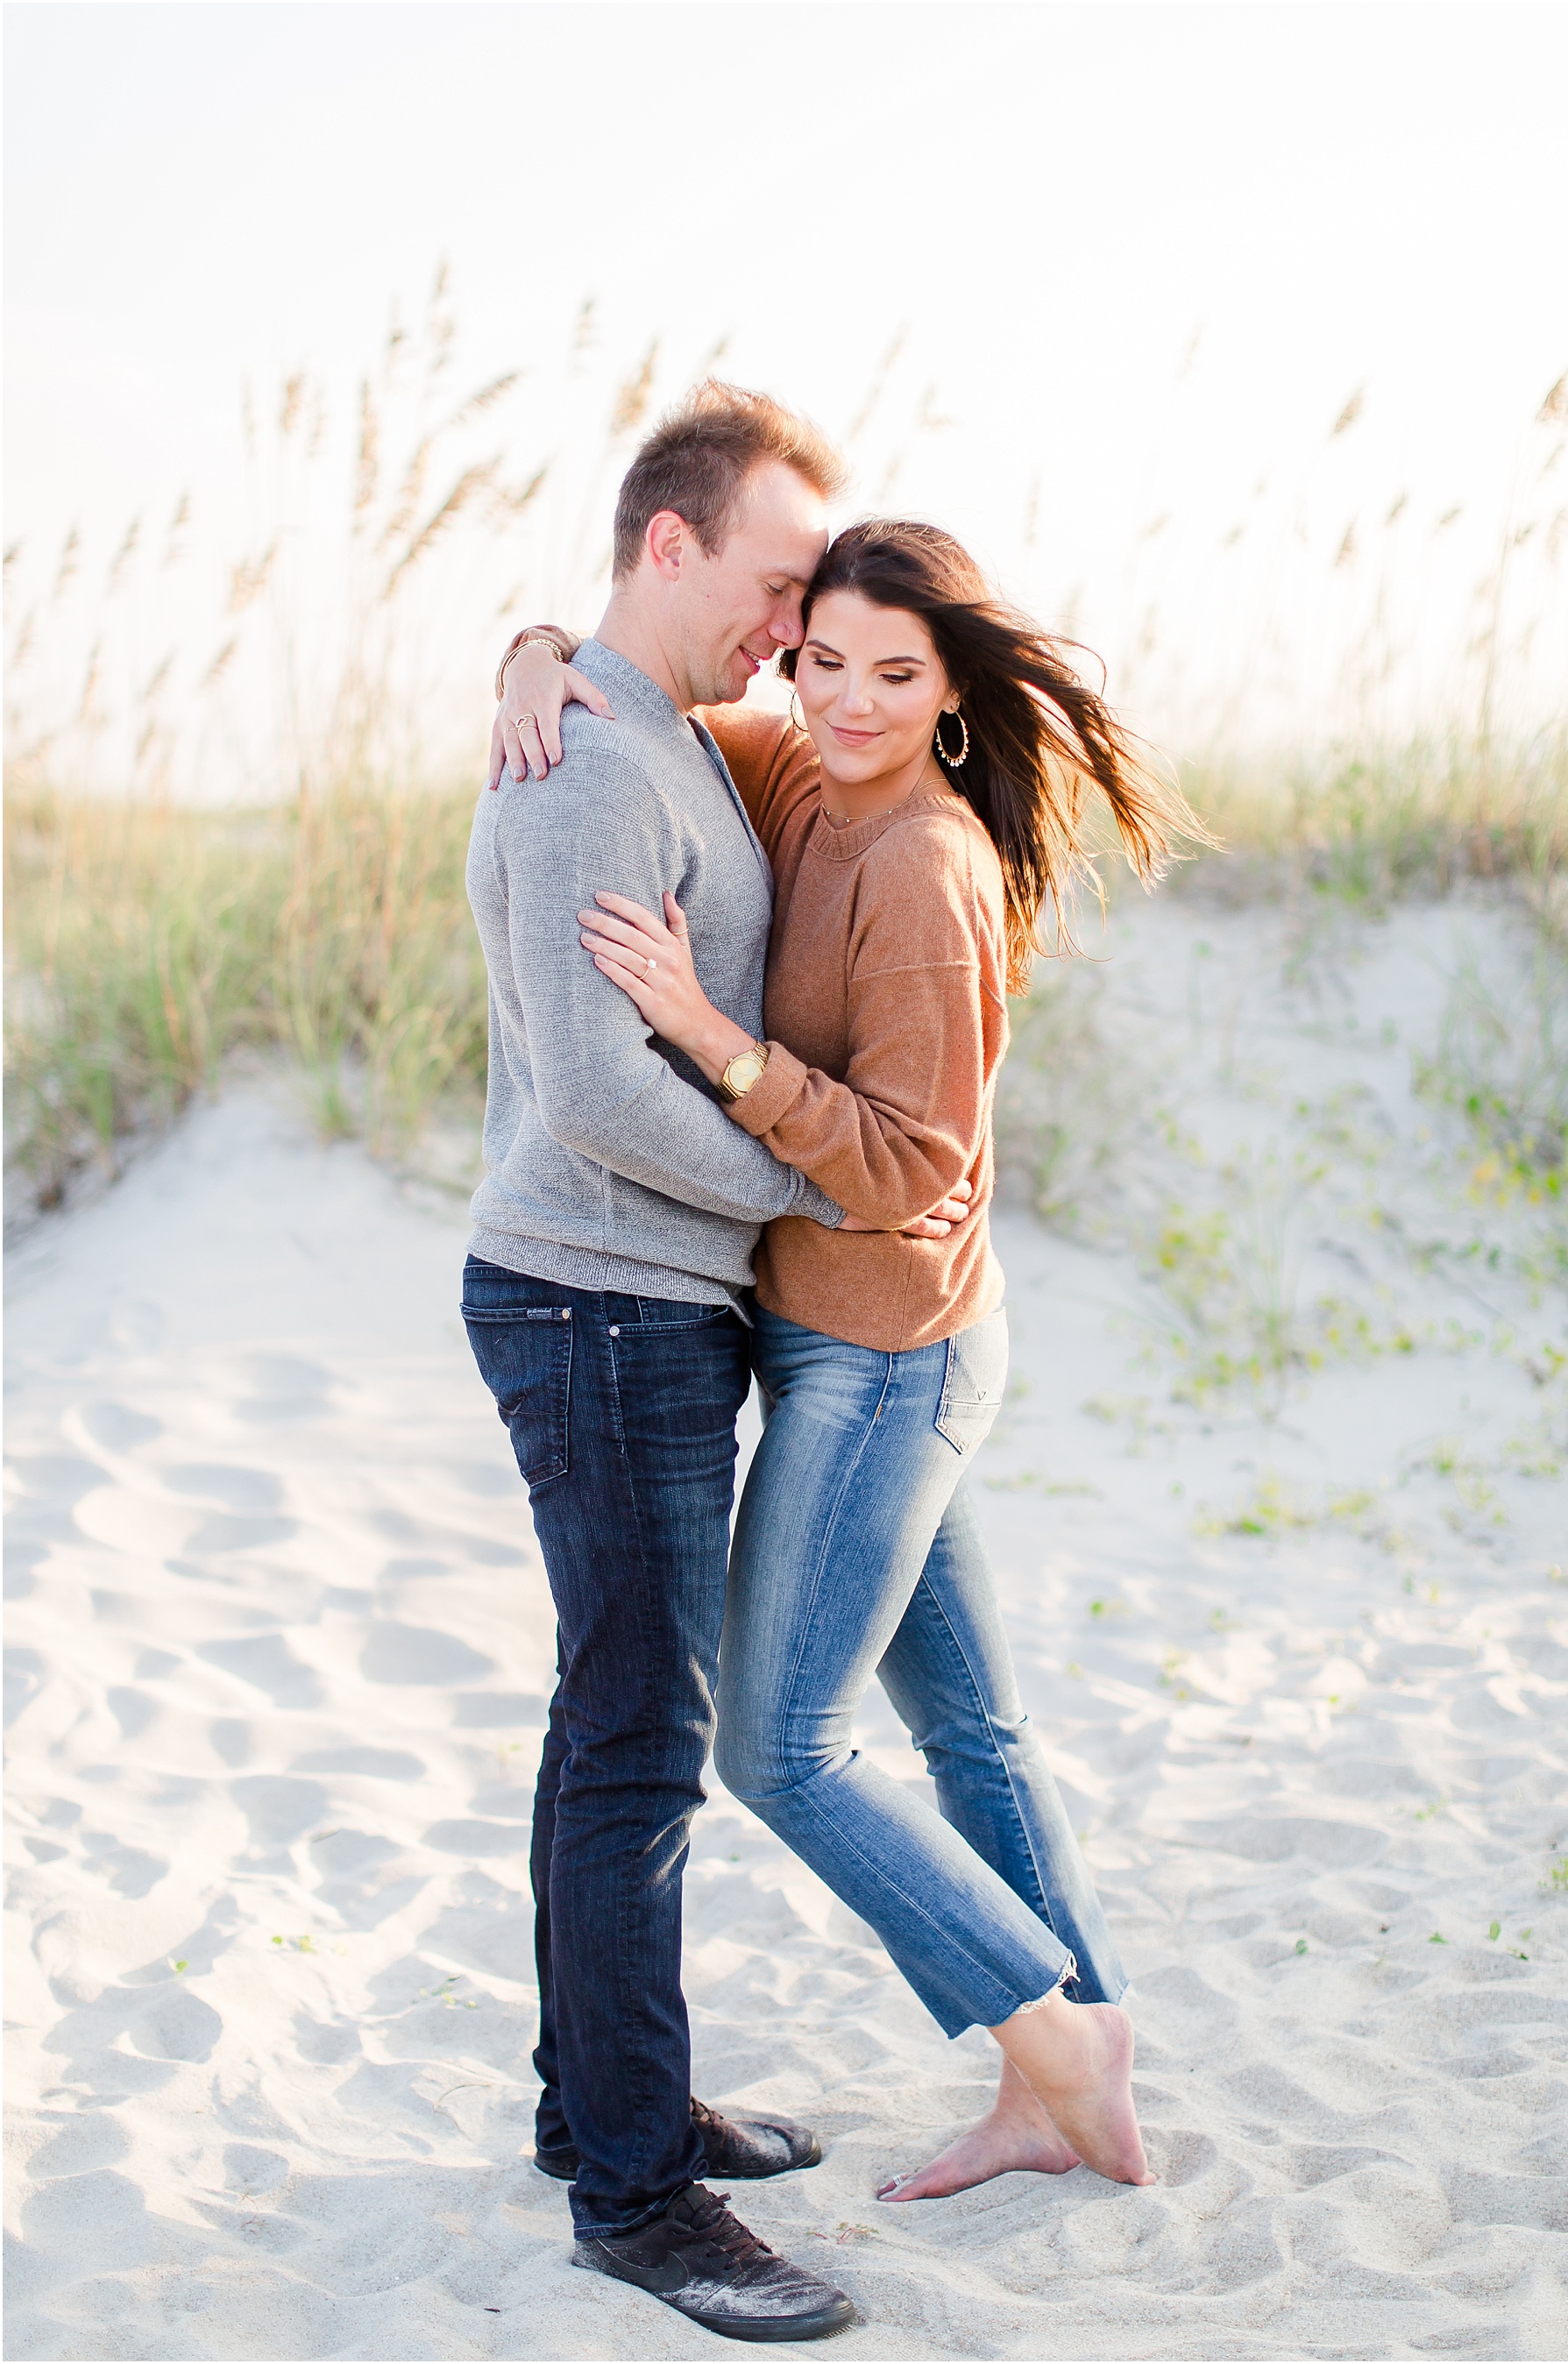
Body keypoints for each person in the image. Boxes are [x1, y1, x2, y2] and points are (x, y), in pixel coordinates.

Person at [493, 515, 1208, 2208]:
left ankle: (1052, 2032)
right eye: (824, 660)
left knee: (779, 1746)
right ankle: (1076, 2069)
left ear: (953, 688)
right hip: (859, 1342)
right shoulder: (808, 773)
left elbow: (912, 1165)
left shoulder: (928, 867)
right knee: (973, 1729)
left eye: (896, 673)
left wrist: (714, 1038)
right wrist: (531, 654)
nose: (849, 699)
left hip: (891, 1355)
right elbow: (648, 703)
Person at [463, 382, 974, 2345]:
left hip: (639, 1298)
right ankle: (635, 2193)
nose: (789, 624)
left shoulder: (650, 722)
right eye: (771, 582)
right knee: (640, 1747)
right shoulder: (591, 754)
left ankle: (595, 2097)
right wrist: (786, 1170)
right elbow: (594, 1084)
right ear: (667, 544)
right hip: (598, 1298)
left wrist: (529, 644)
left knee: (608, 1726)